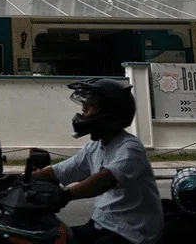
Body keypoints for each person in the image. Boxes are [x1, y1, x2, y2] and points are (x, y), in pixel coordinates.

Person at [30, 78, 163, 244]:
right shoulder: (94, 148)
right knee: (52, 238)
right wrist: (22, 179)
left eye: (89, 106)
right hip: (102, 223)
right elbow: (61, 171)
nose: (83, 111)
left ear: (109, 112)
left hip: (132, 231)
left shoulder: (130, 148)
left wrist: (65, 195)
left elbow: (106, 179)